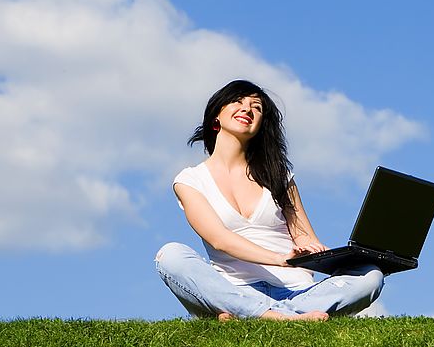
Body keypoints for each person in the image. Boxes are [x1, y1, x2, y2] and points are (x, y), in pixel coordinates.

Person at [155, 79, 384, 321]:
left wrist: (323, 254)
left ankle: (256, 315)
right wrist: (279, 259)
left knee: (371, 275)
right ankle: (273, 315)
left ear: (261, 125)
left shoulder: (279, 176)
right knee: (170, 256)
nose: (247, 109)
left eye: (257, 107)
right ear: (216, 117)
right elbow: (218, 239)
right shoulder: (191, 180)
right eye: (238, 101)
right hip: (236, 290)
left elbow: (304, 236)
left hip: (298, 292)